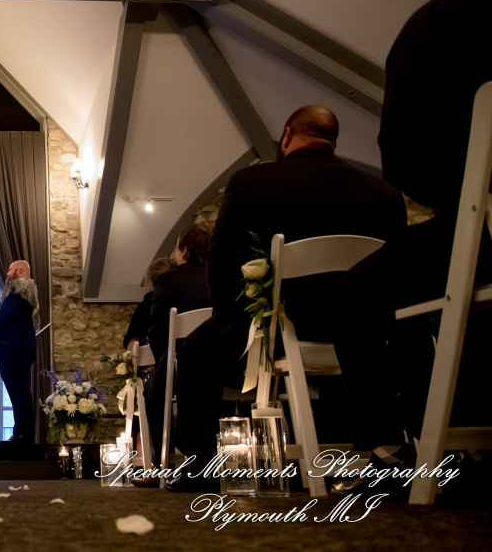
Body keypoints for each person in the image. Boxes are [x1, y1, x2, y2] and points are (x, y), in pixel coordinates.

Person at [165, 105, 406, 492]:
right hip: (369, 336)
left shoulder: (253, 182)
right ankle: (386, 454)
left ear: (289, 134)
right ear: (332, 139)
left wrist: (233, 317)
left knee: (195, 352)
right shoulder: (384, 194)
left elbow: (222, 259)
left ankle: (201, 469)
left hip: (281, 329)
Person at [331, 0, 492, 494]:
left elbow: (403, 160)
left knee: (357, 295)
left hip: (486, 232)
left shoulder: (442, 20)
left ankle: (389, 451)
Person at [141, 222, 213, 470]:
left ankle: (164, 461)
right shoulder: (224, 276)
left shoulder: (168, 281)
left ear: (185, 250)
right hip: (226, 365)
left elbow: (157, 333)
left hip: (180, 364)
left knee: (153, 388)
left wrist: (165, 360)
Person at [0, 260, 40, 443]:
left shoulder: (19, 290)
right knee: (19, 392)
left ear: (19, 270)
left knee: (19, 393)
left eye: (10, 270)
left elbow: (4, 315)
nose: (7, 273)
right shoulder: (24, 292)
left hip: (12, 348)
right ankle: (21, 432)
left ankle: (22, 434)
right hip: (17, 348)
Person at [121, 256, 176, 351]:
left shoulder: (147, 304)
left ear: (151, 280)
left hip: (153, 358)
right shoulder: (182, 300)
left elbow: (132, 346)